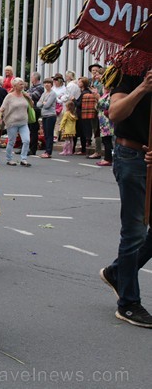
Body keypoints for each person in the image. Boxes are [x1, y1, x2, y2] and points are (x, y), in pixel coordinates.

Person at [99, 69, 152, 328]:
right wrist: (143, 88)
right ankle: (128, 303)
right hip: (131, 155)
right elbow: (115, 113)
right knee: (135, 231)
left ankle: (118, 272)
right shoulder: (132, 69)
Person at [0, 77, 31, 167]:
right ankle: (9, 159)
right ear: (15, 86)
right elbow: (2, 108)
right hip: (12, 122)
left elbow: (31, 106)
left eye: (23, 84)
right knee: (11, 141)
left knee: (27, 140)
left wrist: (29, 98)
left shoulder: (25, 95)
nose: (22, 85)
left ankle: (23, 159)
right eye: (20, 84)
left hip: (23, 122)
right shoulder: (9, 96)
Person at [78, 77, 101, 157]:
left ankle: (98, 152)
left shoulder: (101, 87)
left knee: (97, 131)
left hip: (98, 112)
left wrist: (96, 96)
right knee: (96, 131)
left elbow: (100, 100)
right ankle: (98, 151)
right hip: (96, 111)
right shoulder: (95, 87)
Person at [36, 78, 58, 158]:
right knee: (45, 134)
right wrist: (43, 103)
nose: (46, 85)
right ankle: (46, 151)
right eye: (45, 83)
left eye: (48, 83)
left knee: (49, 134)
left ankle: (48, 152)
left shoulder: (52, 93)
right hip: (44, 116)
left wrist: (43, 103)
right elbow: (38, 104)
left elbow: (47, 105)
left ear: (51, 84)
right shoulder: (44, 94)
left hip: (50, 115)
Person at [95, 90, 114, 167]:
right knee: (105, 140)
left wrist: (98, 98)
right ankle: (107, 157)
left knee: (107, 140)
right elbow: (97, 107)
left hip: (107, 121)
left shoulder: (110, 95)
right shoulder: (105, 95)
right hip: (102, 120)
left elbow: (107, 105)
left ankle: (108, 159)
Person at [27, 72, 44, 155]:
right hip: (29, 109)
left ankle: (33, 149)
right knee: (28, 129)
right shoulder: (32, 87)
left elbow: (34, 96)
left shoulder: (40, 87)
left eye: (31, 77)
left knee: (33, 129)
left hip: (35, 109)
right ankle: (26, 147)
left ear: (35, 78)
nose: (30, 78)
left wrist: (26, 94)